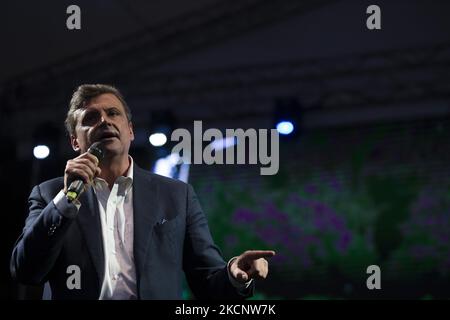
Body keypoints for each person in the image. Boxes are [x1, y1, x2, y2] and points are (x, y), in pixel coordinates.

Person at [10, 84, 275, 300]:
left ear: (131, 131)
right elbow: (25, 270)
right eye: (91, 118)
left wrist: (232, 271)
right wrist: (66, 202)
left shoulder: (176, 195)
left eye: (113, 114)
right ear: (75, 142)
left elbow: (207, 279)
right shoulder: (50, 194)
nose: (104, 121)